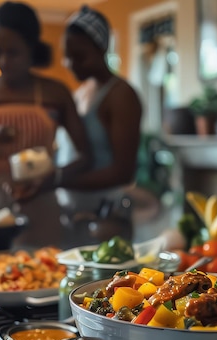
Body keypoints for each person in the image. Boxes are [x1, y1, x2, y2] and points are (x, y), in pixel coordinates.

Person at [0, 1, 91, 249]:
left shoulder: (56, 93)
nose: (4, 60)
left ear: (31, 47)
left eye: (13, 52)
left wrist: (52, 179)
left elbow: (85, 155)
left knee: (41, 273)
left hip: (41, 201)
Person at [56, 6, 142, 239]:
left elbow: (123, 172)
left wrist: (58, 181)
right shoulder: (79, 93)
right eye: (67, 56)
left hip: (107, 217)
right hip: (73, 212)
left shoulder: (121, 95)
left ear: (102, 48)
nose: (70, 63)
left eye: (79, 55)